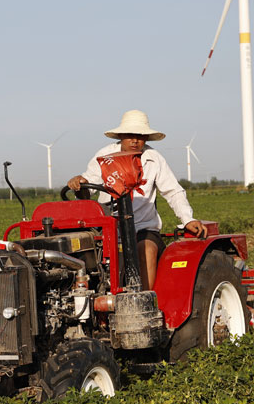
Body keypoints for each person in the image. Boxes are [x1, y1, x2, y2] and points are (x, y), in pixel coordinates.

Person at [67, 109, 205, 290]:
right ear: (121, 136)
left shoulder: (154, 159)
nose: (135, 140)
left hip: (142, 228)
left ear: (146, 138)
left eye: (140, 136)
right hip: (108, 231)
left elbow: (173, 191)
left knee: (146, 249)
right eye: (130, 135)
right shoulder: (105, 157)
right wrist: (80, 184)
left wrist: (187, 219)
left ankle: (144, 301)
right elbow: (88, 188)